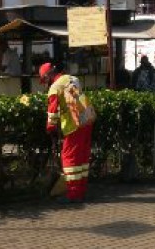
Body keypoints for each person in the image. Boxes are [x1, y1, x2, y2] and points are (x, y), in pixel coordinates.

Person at [40, 61, 96, 204]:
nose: (44, 83)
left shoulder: (55, 87)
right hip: (87, 119)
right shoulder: (73, 78)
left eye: (44, 80)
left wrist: (50, 129)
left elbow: (52, 112)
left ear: (48, 76)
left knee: (70, 159)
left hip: (74, 124)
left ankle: (73, 195)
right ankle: (81, 191)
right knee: (82, 158)